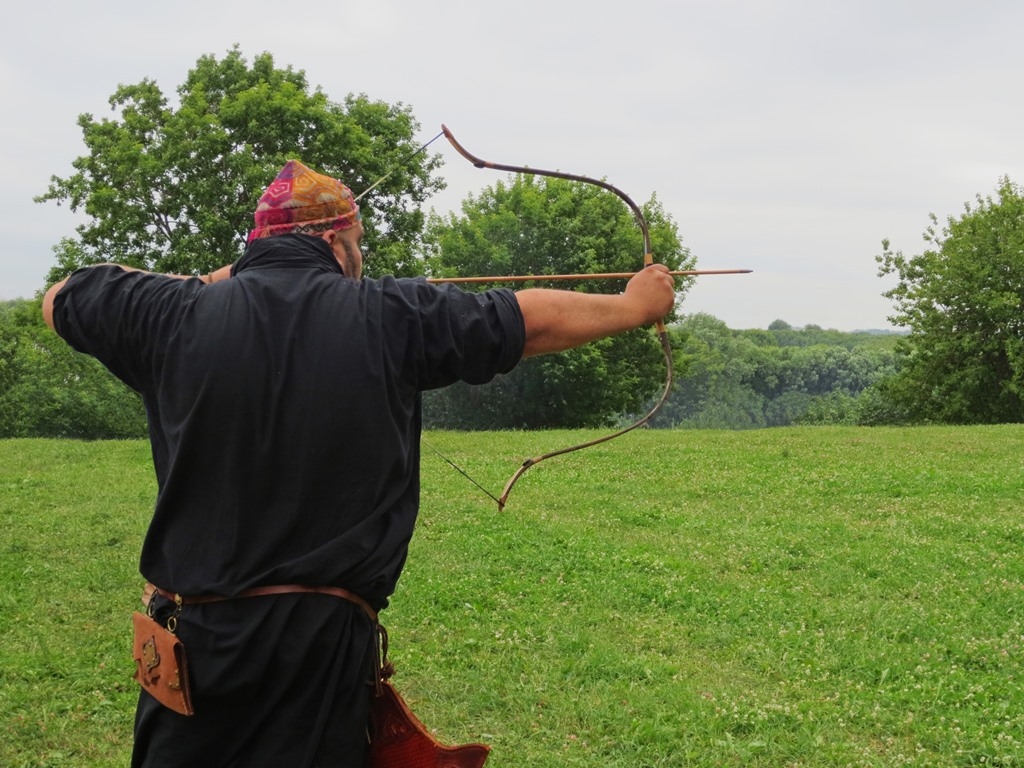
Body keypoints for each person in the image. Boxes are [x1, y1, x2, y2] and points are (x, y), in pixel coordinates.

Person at [42, 159, 675, 767]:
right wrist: (632, 306)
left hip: (193, 638)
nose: (362, 257)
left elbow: (62, 296)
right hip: (316, 644)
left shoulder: (169, 314)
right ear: (338, 239)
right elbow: (523, 319)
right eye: (359, 241)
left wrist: (215, 281)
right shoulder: (391, 314)